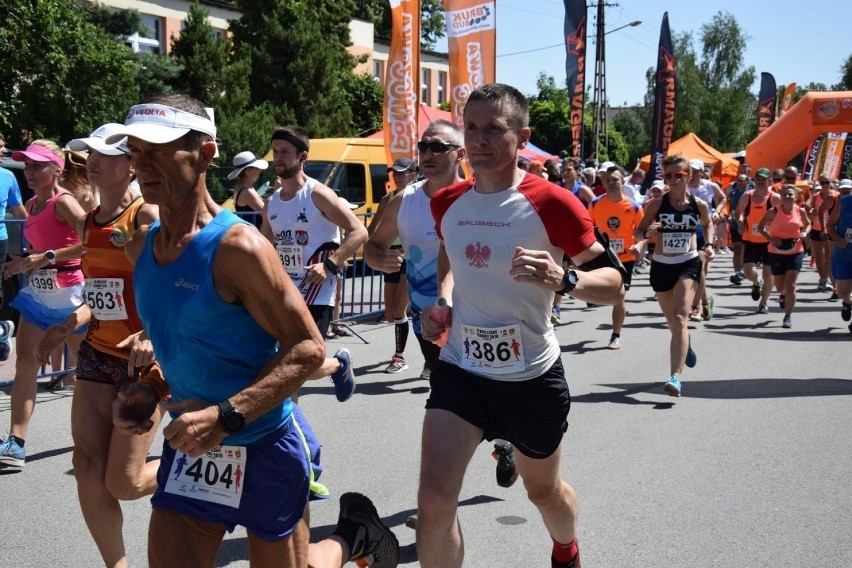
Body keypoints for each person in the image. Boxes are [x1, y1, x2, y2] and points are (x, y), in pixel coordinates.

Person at [107, 93, 398, 568]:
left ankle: (354, 537)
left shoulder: (238, 247)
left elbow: (308, 348)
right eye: (135, 151)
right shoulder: (143, 247)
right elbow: (185, 342)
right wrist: (151, 386)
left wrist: (226, 416)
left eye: (158, 150)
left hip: (263, 445)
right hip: (194, 452)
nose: (142, 165)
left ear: (205, 154)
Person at [416, 84, 625, 568]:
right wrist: (442, 300)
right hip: (462, 368)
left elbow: (615, 282)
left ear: (522, 136)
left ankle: (566, 550)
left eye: (494, 128)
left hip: (530, 377)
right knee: (433, 499)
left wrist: (563, 278)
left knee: (544, 493)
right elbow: (449, 252)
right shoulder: (447, 202)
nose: (479, 139)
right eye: (471, 127)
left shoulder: (554, 203)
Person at [9, 123, 163, 566]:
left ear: (132, 163)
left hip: (145, 364)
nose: (93, 159)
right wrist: (67, 322)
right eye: (89, 152)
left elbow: (172, 290)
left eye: (105, 153)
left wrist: (152, 332)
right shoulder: (93, 219)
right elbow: (101, 295)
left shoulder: (146, 217)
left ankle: (197, 457)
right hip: (99, 353)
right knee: (87, 465)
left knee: (126, 482)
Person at [261, 126, 368, 402]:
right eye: (275, 152)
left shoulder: (317, 195)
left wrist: (330, 265)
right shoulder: (271, 203)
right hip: (285, 293)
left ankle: (338, 364)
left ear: (302, 156)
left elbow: (359, 231)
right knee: (286, 366)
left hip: (316, 291)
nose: (278, 157)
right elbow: (263, 247)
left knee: (301, 365)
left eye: (285, 152)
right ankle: (290, 433)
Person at [0, 141, 88, 470]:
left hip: (71, 296)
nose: (31, 172)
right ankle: (16, 443)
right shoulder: (32, 204)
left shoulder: (64, 203)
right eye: (28, 166)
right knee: (26, 364)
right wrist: (22, 264)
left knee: (88, 370)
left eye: (38, 166)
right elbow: (39, 254)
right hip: (38, 295)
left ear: (56, 170)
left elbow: (92, 243)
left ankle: (103, 435)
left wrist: (47, 257)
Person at [636, 153, 715, 397]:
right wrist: (648, 232)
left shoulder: (698, 204)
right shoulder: (658, 204)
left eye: (678, 175)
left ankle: (675, 376)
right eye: (668, 176)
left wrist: (709, 245)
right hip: (661, 265)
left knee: (681, 317)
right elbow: (639, 233)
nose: (672, 180)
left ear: (688, 176)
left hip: (688, 263)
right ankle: (686, 344)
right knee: (673, 322)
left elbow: (708, 223)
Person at [366, 157, 418, 373]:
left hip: (413, 258)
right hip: (391, 258)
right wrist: (372, 248)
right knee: (391, 313)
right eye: (394, 173)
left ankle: (400, 357)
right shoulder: (388, 199)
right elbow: (373, 229)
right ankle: (423, 342)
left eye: (402, 172)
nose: (397, 177)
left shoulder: (419, 199)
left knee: (399, 309)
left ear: (413, 175)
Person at [589, 166, 644, 349]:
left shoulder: (634, 206)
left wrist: (639, 245)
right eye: (607, 180)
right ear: (602, 182)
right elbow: (588, 229)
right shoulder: (596, 204)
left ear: (622, 182)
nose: (611, 183)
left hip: (625, 258)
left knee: (619, 297)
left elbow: (641, 232)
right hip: (603, 257)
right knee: (607, 295)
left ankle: (615, 335)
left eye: (615, 180)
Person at [757, 184, 811, 328]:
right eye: (785, 194)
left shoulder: (800, 211)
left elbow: (808, 224)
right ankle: (783, 294)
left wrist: (805, 232)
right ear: (781, 197)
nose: (788, 197)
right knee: (781, 287)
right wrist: (770, 239)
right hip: (776, 252)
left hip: (796, 250)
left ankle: (788, 316)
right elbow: (760, 227)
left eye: (790, 194)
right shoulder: (773, 211)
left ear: (795, 197)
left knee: (791, 285)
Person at [734, 167, 779, 314]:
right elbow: (738, 213)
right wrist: (740, 223)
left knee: (768, 274)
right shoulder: (747, 196)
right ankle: (755, 281)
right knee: (748, 271)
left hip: (769, 241)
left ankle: (763, 302)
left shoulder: (774, 198)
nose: (760, 181)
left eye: (764, 179)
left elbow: (782, 216)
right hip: (751, 240)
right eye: (758, 179)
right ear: (754, 180)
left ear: (769, 181)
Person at [685, 159, 726, 322]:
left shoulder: (710, 186)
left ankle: (697, 305)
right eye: (690, 171)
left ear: (702, 172)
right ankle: (702, 301)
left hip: (705, 232)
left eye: (696, 171)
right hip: (687, 234)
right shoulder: (683, 186)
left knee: (701, 269)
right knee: (699, 270)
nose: (692, 174)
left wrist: (717, 210)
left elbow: (722, 199)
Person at [0, 138, 26, 360]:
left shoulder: (8, 176)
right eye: (0, 146)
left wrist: (33, 239)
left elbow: (20, 213)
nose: (4, 150)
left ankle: (1, 331)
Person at [826, 182, 852, 333]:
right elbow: (830, 225)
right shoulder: (844, 201)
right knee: (842, 291)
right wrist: (838, 240)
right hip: (844, 252)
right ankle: (848, 302)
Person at [807, 175, 836, 293]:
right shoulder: (815, 196)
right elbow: (807, 206)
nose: (824, 184)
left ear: (831, 182)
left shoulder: (835, 195)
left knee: (829, 256)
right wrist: (811, 211)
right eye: (822, 182)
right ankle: (823, 279)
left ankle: (828, 279)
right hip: (817, 228)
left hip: (830, 229)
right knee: (819, 256)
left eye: (827, 182)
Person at [229, 150, 268, 228]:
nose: (259, 171)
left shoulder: (243, 187)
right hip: (255, 235)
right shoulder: (247, 192)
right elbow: (267, 213)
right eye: (257, 168)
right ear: (247, 171)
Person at [726, 174, 751, 285]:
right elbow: (730, 208)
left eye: (743, 181)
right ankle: (737, 272)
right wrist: (728, 216)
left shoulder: (751, 193)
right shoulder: (733, 193)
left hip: (747, 224)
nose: (740, 183)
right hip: (735, 224)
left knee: (744, 249)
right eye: (739, 181)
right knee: (736, 248)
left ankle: (743, 269)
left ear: (747, 182)